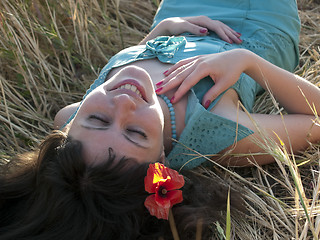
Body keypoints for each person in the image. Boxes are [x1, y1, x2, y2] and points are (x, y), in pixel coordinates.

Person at [1, 0, 318, 239]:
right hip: (254, 20)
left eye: (97, 119)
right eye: (136, 133)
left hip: (178, 10)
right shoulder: (218, 131)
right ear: (162, 163)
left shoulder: (68, 117)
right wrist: (246, 61)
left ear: (68, 129)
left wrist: (160, 33)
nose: (122, 104)